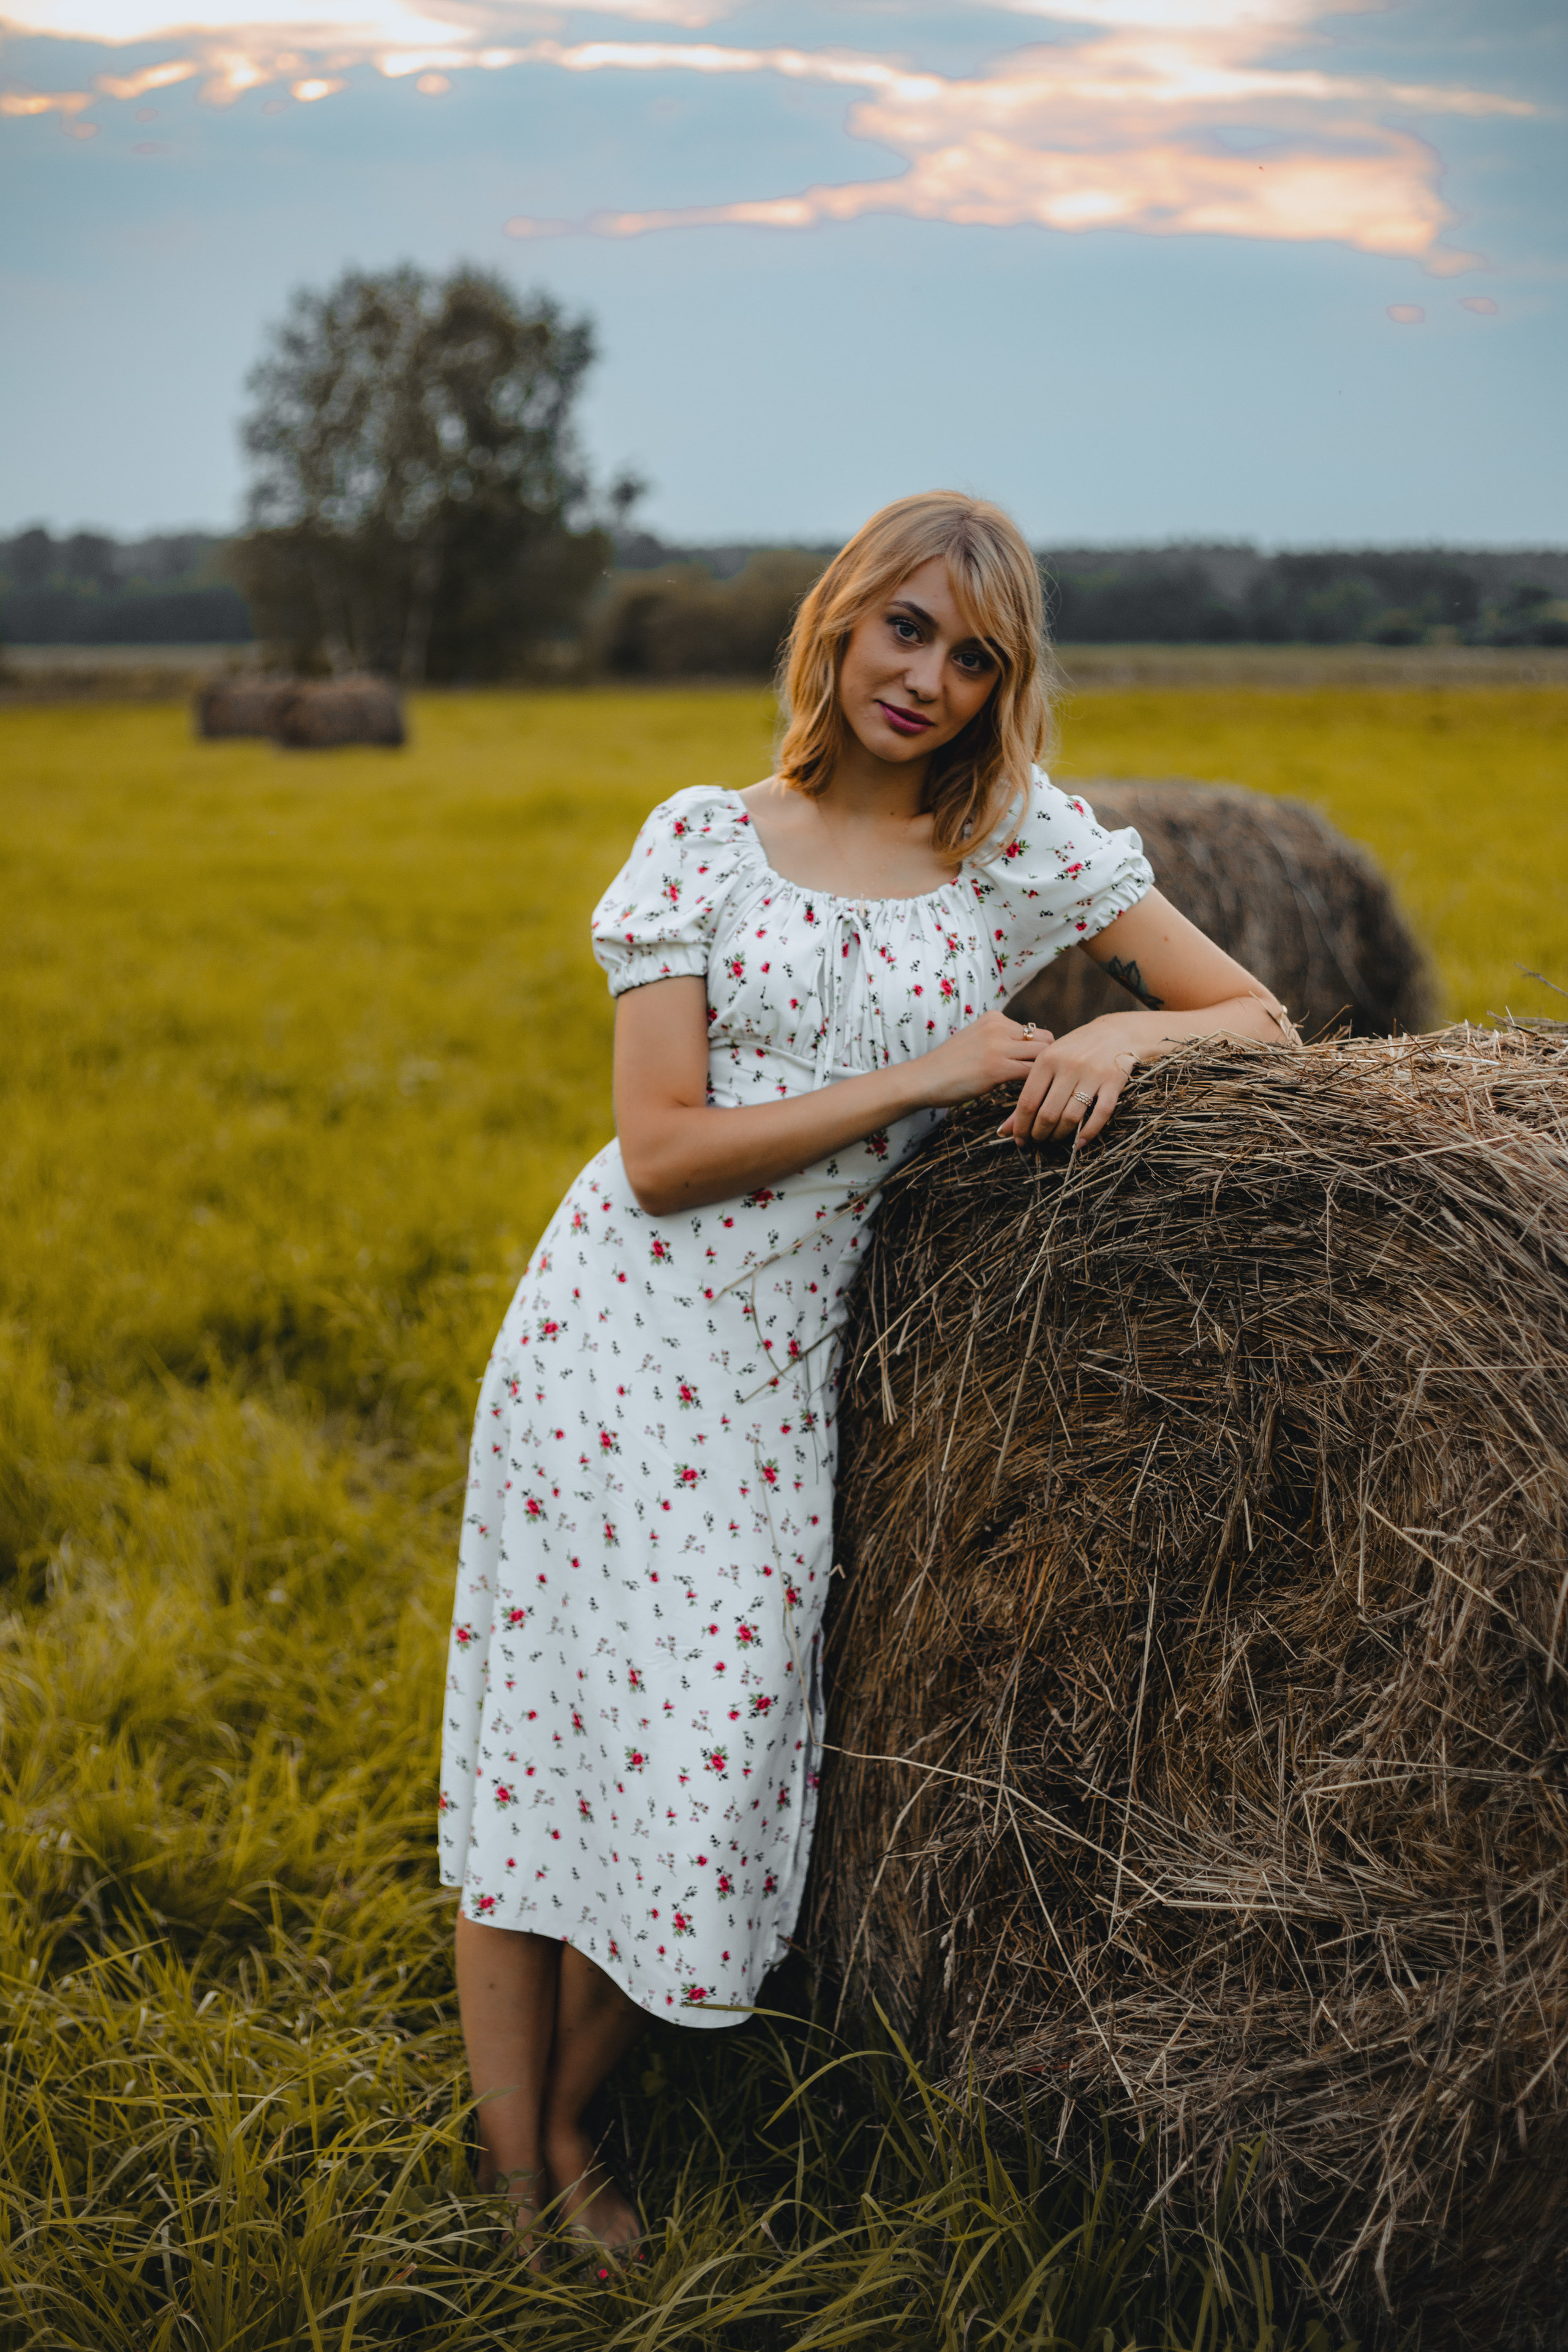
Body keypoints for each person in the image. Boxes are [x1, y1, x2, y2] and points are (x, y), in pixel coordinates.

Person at [438, 490, 1293, 2258]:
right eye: (906, 630)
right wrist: (930, 1075)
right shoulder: (697, 840)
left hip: (782, 1363)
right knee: (545, 1744)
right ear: (840, 622)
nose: (930, 680)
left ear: (1003, 688)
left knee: (723, 1758)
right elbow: (665, 1148)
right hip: (616, 1333)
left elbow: (1258, 1018)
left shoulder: (1014, 849)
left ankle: (578, 2123)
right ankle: (531, 2174)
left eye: (974, 657)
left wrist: (1119, 1026)